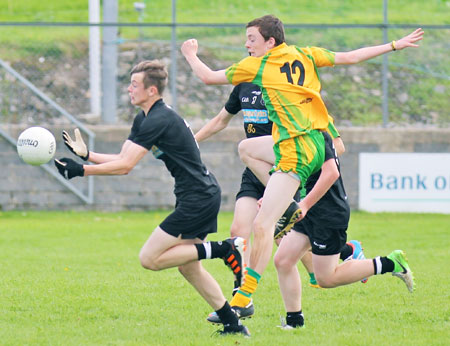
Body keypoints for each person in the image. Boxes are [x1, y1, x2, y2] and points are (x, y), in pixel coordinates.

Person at [181, 14, 423, 311]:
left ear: (270, 42)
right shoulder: (305, 54)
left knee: (264, 225)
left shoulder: (259, 66)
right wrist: (394, 44)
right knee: (247, 152)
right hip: (303, 146)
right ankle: (268, 293)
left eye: (252, 39)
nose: (247, 45)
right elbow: (351, 57)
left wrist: (190, 54)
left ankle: (245, 296)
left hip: (297, 150)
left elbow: (207, 76)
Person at [54, 60, 250, 336]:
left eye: (135, 85)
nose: (129, 89)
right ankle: (232, 323)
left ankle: (225, 249)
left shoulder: (158, 119)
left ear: (152, 90)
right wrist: (87, 156)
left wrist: (81, 170)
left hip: (198, 198)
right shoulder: (145, 117)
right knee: (188, 268)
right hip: (198, 195)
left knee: (150, 258)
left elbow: (125, 168)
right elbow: (124, 158)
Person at [195, 82, 359, 324]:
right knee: (239, 232)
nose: (249, 46)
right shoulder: (244, 86)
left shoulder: (295, 95)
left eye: (253, 41)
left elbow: (336, 148)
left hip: (291, 173)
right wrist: (191, 143)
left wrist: (310, 161)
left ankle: (344, 252)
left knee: (286, 243)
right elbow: (220, 117)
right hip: (259, 168)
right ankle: (243, 300)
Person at [239, 132, 414, 329]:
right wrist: (274, 195)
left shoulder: (318, 134)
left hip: (328, 212)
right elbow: (286, 170)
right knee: (283, 260)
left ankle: (390, 263)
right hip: (308, 209)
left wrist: (304, 204)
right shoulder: (295, 135)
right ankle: (295, 322)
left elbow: (331, 172)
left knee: (326, 278)